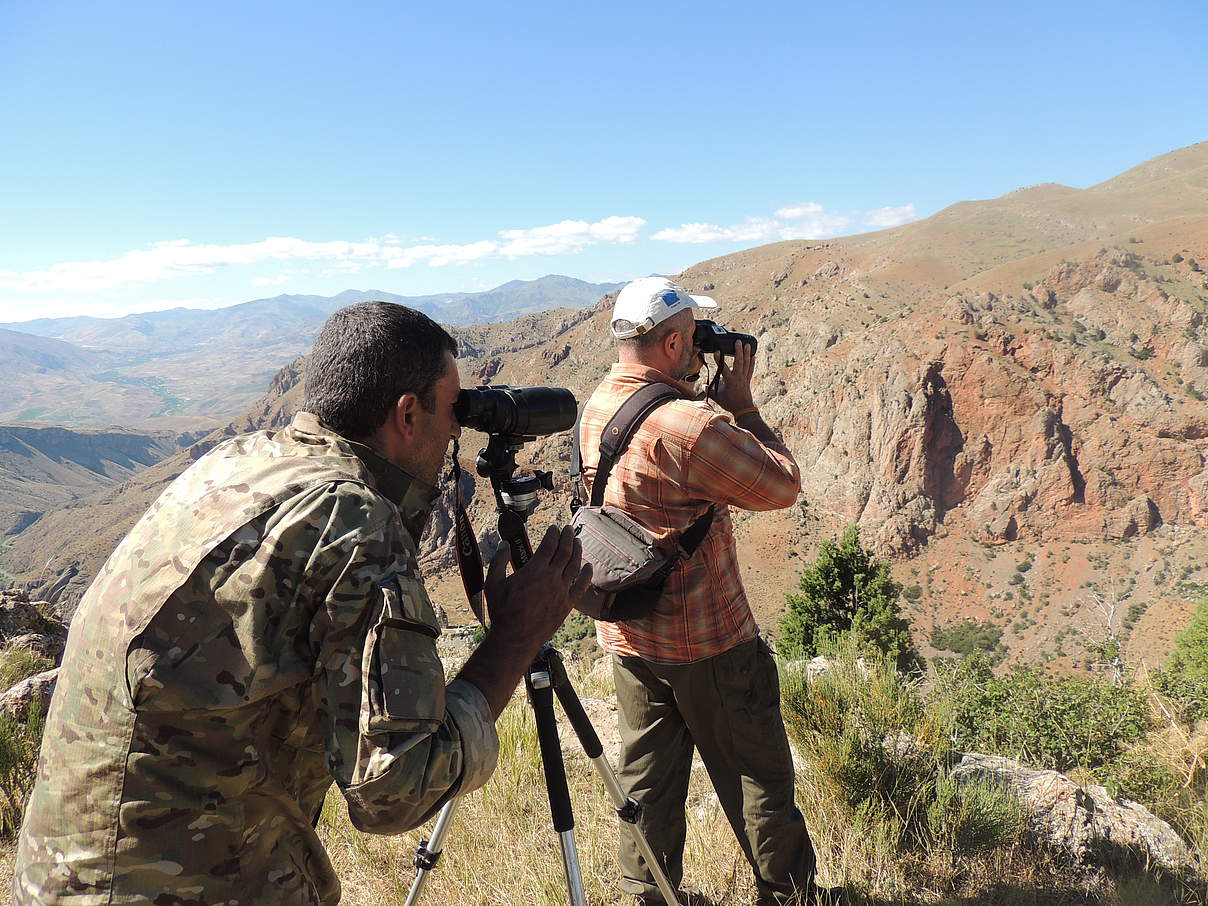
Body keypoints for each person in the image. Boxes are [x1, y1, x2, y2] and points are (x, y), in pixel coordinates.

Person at [14, 301, 591, 906]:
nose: (457, 431)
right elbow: (396, 788)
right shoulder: (349, 519)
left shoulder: (241, 461)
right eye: (453, 409)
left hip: (65, 871)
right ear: (408, 413)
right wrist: (514, 639)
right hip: (180, 883)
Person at [579, 277, 831, 906]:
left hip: (631, 632)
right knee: (757, 777)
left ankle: (647, 893)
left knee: (647, 777)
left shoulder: (600, 402)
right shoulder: (689, 425)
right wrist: (741, 406)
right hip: (709, 641)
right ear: (669, 342)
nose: (701, 349)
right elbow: (780, 487)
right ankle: (788, 894)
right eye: (694, 339)